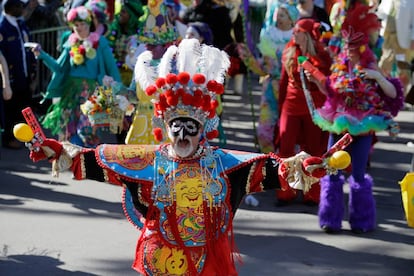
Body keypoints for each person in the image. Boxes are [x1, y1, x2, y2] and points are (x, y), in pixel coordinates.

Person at [20, 38, 346, 275]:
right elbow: (96, 163)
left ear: (202, 129)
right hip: (160, 257)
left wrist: (304, 165)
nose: (181, 136)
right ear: (167, 126)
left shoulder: (223, 164)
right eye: (175, 128)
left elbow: (269, 170)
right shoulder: (149, 159)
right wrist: (57, 149)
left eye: (189, 128)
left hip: (207, 260)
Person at [307, 8, 404, 233]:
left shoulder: (371, 67)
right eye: (346, 47)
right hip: (338, 126)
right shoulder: (340, 67)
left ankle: (361, 221)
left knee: (358, 175)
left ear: (363, 48)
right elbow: (331, 91)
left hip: (362, 131)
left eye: (354, 48)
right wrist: (316, 80)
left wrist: (378, 77)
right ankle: (330, 219)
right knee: (332, 170)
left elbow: (392, 94)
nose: (349, 52)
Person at [31, 5, 121, 147]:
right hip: (71, 93)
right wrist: (41, 55)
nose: (79, 28)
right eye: (76, 25)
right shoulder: (70, 42)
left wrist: (120, 90)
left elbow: (112, 68)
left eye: (82, 24)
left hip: (92, 94)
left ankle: (90, 164)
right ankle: (76, 165)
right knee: (70, 132)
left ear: (89, 24)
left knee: (89, 131)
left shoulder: (100, 42)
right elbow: (59, 68)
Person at [276, 18, 332, 206]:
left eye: (297, 31)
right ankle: (286, 190)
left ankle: (311, 192)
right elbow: (284, 82)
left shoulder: (323, 55)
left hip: (313, 107)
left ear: (306, 34)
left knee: (313, 150)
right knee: (286, 147)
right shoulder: (289, 51)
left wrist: (314, 75)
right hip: (291, 105)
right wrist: (279, 108)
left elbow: (327, 85)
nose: (294, 34)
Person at [125, 0, 179, 145]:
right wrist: (118, 94)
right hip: (141, 124)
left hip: (165, 124)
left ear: (166, 45)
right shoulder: (141, 63)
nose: (148, 47)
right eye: (147, 44)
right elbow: (133, 95)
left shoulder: (176, 66)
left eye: (153, 45)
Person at [0, 0, 37, 149]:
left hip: (24, 73)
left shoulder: (20, 23)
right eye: (19, 6)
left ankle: (26, 137)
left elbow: (26, 48)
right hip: (10, 77)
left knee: (24, 106)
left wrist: (32, 71)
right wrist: (5, 83)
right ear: (9, 7)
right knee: (10, 110)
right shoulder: (2, 27)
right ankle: (9, 139)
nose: (22, 8)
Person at [377, 0, 414, 100]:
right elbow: (380, 14)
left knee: (403, 68)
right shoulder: (386, 1)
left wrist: (413, 38)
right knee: (384, 65)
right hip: (388, 39)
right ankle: (384, 95)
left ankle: (402, 96)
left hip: (403, 41)